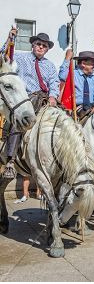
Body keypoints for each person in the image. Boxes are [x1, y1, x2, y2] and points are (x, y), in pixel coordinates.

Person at [1, 30, 59, 180]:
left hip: (45, 99)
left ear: (47, 49)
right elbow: (3, 56)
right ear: (33, 45)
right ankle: (10, 160)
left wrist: (53, 96)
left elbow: (54, 83)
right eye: (38, 44)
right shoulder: (20, 57)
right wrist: (9, 39)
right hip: (26, 97)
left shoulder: (50, 66)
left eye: (44, 46)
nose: (41, 47)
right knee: (17, 122)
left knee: (62, 120)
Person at [59, 49, 94, 119]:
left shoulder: (93, 78)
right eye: (92, 64)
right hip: (76, 108)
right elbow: (62, 76)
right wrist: (67, 59)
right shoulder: (73, 74)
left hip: (91, 107)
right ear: (83, 63)